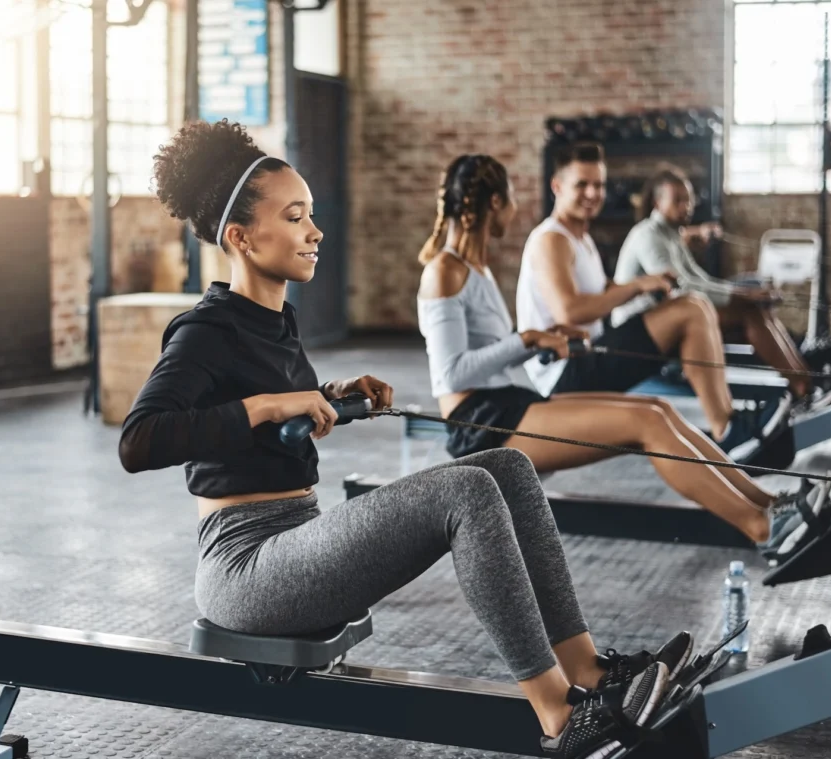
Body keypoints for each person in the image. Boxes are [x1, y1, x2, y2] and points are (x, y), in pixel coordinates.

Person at [120, 120, 689, 759]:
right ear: (242, 237)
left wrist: (335, 397)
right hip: (247, 568)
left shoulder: (275, 320)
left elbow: (267, 423)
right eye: (295, 217)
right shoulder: (203, 331)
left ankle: (588, 671)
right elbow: (140, 442)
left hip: (296, 536)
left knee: (505, 463)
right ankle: (560, 719)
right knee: (467, 490)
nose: (316, 232)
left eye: (310, 216)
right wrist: (268, 404)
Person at [416, 154, 812, 560]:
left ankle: (769, 503)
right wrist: (527, 338)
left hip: (505, 405)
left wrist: (547, 340)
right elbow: (450, 375)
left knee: (657, 410)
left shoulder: (474, 268)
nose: (517, 209)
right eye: (513, 198)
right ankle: (763, 529)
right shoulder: (444, 270)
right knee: (645, 425)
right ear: (496, 203)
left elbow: (492, 357)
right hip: (479, 424)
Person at [514, 142, 780, 454]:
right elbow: (569, 312)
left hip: (591, 351)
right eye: (582, 185)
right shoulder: (552, 239)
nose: (592, 193)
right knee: (692, 308)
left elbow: (600, 293)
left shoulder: (580, 238)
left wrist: (649, 286)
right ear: (557, 186)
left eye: (598, 185)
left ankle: (729, 423)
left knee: (693, 306)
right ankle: (727, 428)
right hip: (566, 372)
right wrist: (637, 285)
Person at [612, 166, 813, 400]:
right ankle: (802, 386)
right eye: (677, 201)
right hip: (637, 329)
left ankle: (806, 378)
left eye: (688, 200)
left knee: (757, 309)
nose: (686, 207)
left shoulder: (671, 234)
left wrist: (746, 293)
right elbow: (682, 287)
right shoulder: (647, 235)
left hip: (667, 315)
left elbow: (700, 279)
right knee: (749, 312)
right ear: (658, 203)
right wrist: (742, 296)